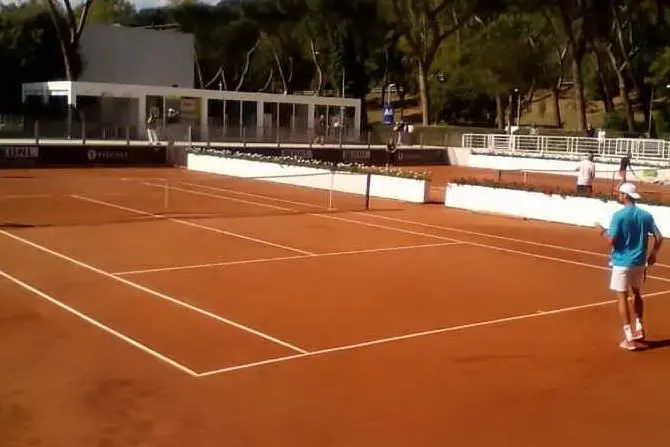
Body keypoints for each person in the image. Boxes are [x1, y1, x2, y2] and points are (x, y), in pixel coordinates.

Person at [596, 182, 663, 351]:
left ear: (625, 196)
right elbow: (659, 237)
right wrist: (653, 254)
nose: (618, 196)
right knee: (637, 293)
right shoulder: (646, 215)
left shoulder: (618, 215)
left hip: (621, 262)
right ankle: (639, 326)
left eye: (620, 194)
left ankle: (628, 336)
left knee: (622, 297)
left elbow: (612, 240)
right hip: (639, 262)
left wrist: (600, 230)